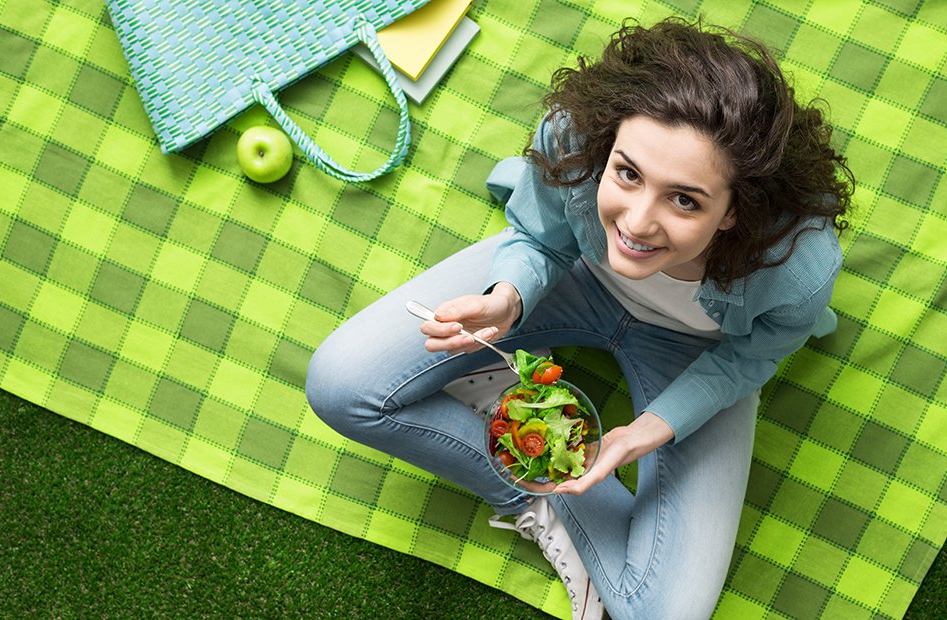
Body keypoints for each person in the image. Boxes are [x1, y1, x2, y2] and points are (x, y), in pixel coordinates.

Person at [306, 16, 852, 620]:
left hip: (699, 351)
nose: (638, 223)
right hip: (571, 282)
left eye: (685, 199)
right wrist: (506, 300)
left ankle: (531, 454)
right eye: (627, 174)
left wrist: (647, 430)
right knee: (340, 385)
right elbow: (538, 237)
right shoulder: (573, 134)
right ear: (607, 147)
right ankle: (528, 475)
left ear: (733, 210)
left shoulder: (797, 264)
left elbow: (752, 358)